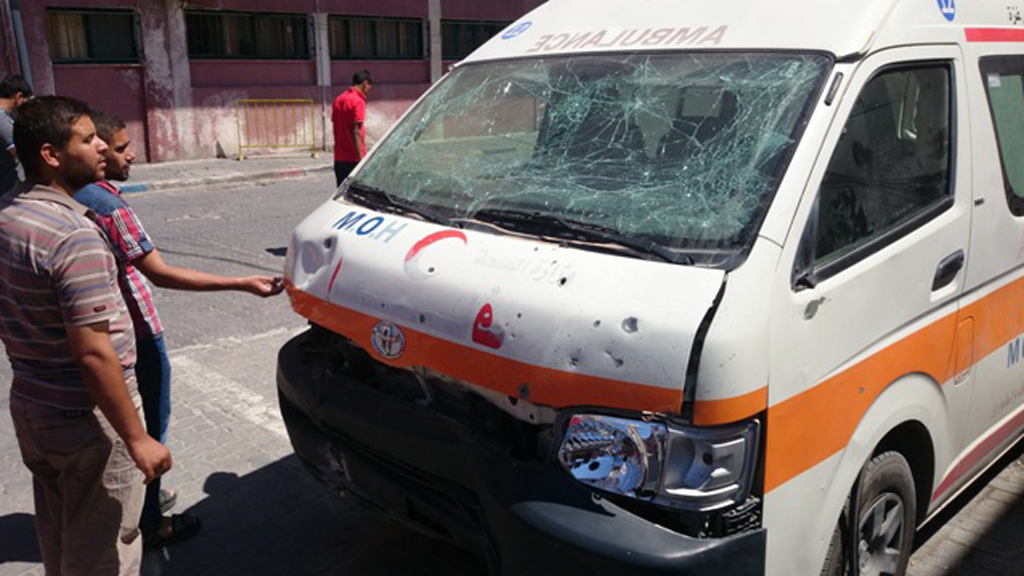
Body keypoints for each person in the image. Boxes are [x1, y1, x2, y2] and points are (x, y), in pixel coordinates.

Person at [74, 111, 284, 549]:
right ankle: (153, 524)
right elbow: (160, 273)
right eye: (117, 148)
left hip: (97, 336)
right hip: (135, 337)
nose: (128, 154)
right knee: (150, 432)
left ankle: (143, 503)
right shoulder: (110, 206)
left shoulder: (61, 199)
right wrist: (242, 282)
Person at [1, 96, 171, 575]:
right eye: (88, 139)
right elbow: (94, 353)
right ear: (52, 155)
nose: (103, 147)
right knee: (106, 553)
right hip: (88, 420)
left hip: (34, 408)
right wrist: (137, 438)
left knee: (61, 534)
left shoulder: (8, 214)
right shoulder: (73, 235)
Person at [331, 70, 372, 187]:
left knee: (342, 195)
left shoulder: (338, 100)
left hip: (339, 157)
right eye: (369, 86)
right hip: (354, 158)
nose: (369, 90)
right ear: (365, 83)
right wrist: (361, 160)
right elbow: (356, 132)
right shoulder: (358, 101)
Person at [0, 75, 34, 194]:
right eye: (27, 102)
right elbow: (21, 151)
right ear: (18, 97)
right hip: (7, 188)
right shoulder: (2, 120)